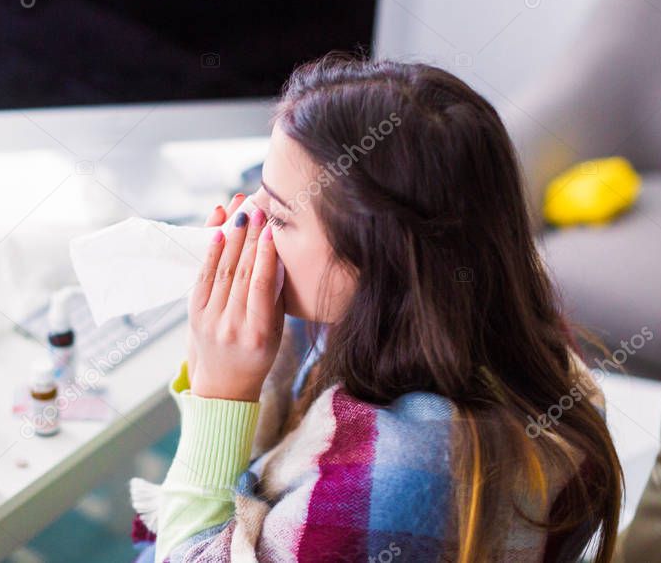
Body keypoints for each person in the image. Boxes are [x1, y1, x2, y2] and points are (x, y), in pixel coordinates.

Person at [130, 55, 622, 562]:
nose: (247, 217)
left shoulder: (401, 479)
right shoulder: (504, 326)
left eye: (277, 215)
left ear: (375, 260)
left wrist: (220, 393)